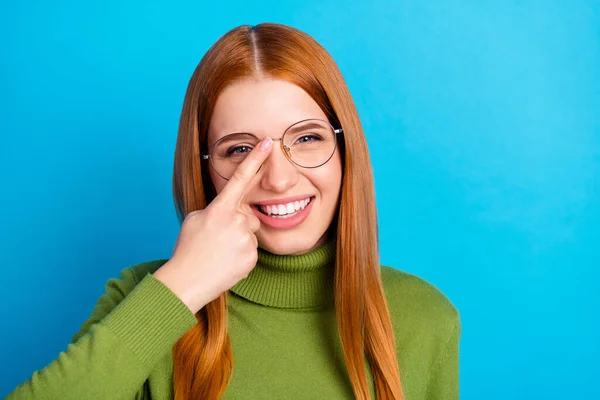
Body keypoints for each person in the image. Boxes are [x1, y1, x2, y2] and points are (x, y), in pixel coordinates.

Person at [6, 23, 460, 400]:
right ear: (204, 168)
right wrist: (180, 287)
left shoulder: (424, 318)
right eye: (241, 149)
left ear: (344, 150)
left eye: (306, 138)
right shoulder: (145, 297)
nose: (278, 179)